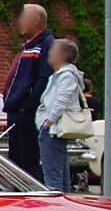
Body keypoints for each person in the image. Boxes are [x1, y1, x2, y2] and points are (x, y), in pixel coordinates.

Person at [1, 3, 53, 175]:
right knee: (15, 158)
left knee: (28, 160)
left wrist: (27, 106)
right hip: (16, 110)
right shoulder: (29, 46)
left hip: (26, 113)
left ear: (36, 20)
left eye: (24, 17)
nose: (20, 21)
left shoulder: (45, 45)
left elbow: (43, 79)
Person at [35, 38, 85, 191]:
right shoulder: (61, 74)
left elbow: (62, 99)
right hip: (53, 128)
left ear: (62, 55)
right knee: (60, 174)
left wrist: (49, 122)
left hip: (53, 129)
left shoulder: (66, 75)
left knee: (52, 175)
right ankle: (65, 203)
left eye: (53, 50)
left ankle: (55, 205)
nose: (49, 53)